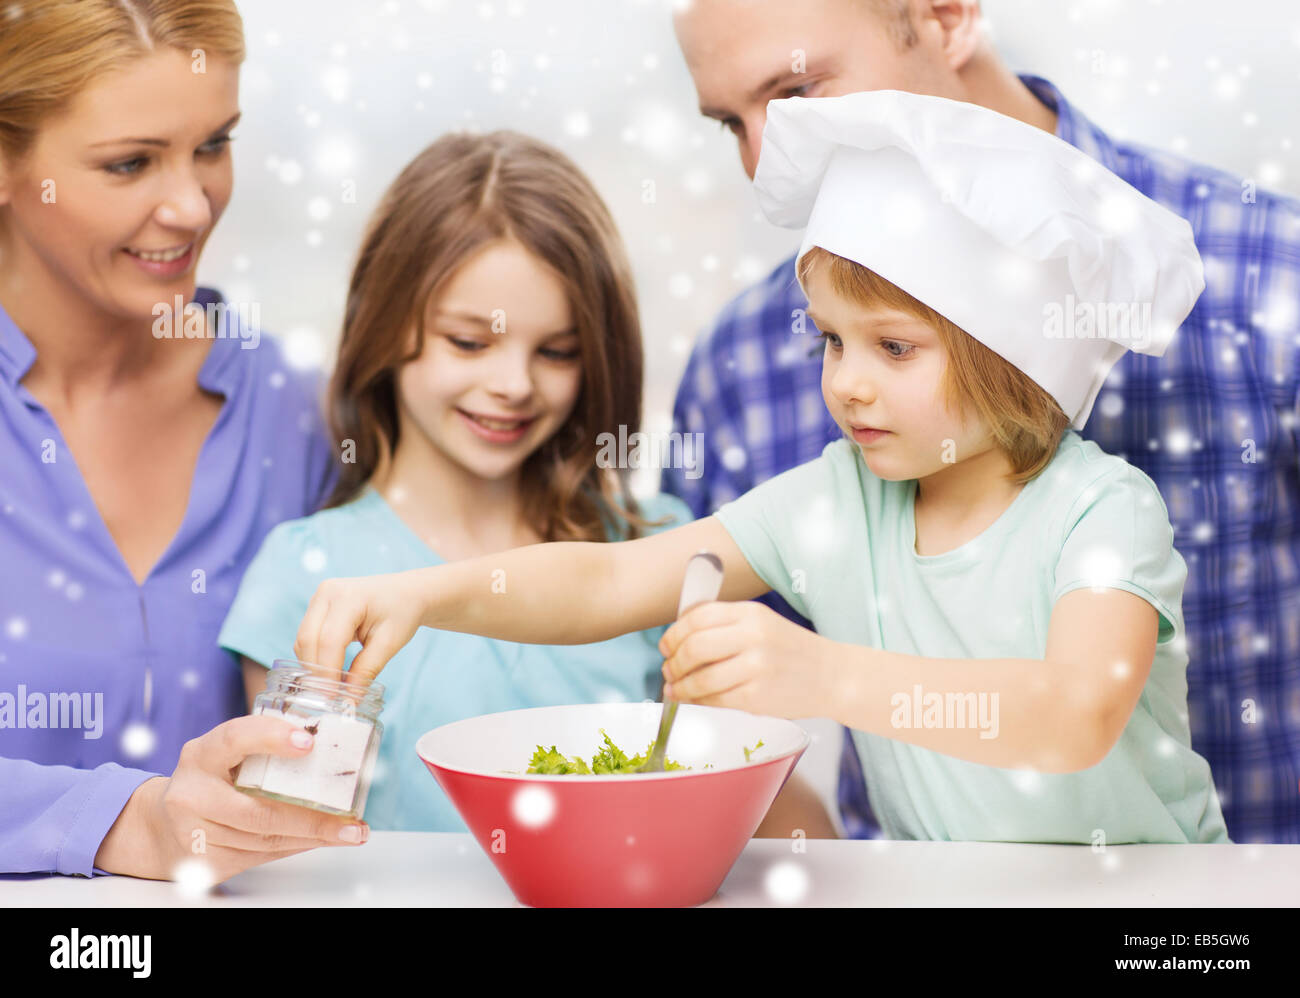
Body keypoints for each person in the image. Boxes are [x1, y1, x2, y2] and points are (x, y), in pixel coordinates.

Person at [286, 90, 1229, 845]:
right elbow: (611, 576)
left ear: (1012, 355)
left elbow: (1075, 715)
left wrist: (824, 676)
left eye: (894, 349)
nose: (847, 384)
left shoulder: (1103, 512)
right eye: (830, 341)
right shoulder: (837, 501)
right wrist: (427, 594)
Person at [664, 0, 1300, 843]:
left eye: (796, 91)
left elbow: (1072, 707)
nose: (763, 162)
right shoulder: (741, 366)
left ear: (948, 15)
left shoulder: (1266, 279)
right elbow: (710, 692)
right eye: (728, 125)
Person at [217, 131, 693, 830]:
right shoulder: (302, 574)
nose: (512, 385)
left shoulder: (658, 552)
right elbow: (289, 843)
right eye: (468, 342)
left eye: (558, 352)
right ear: (383, 327)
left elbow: (756, 814)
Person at [0, 0, 367, 882]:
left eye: (214, 145)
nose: (193, 206)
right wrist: (128, 822)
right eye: (129, 164)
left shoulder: (301, 418)